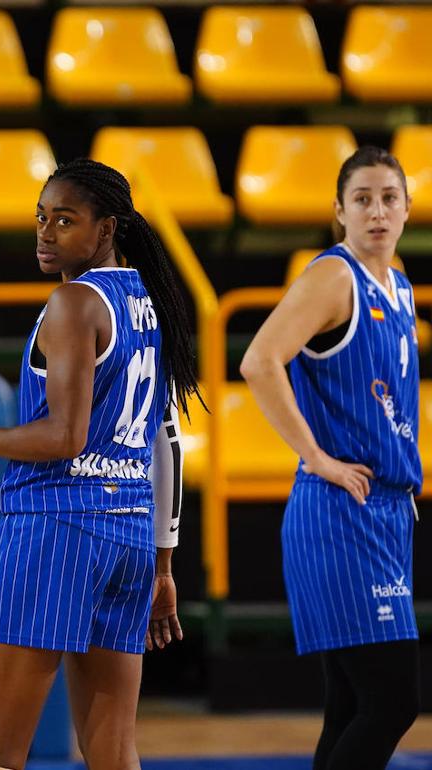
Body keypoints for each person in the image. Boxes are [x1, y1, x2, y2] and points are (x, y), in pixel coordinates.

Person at [0, 159, 194, 770]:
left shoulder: (75, 303)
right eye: (41, 218)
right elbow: (167, 439)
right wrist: (162, 562)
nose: (45, 233)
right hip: (130, 533)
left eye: (64, 220)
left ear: (106, 229)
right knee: (111, 749)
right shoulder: (145, 302)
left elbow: (65, 436)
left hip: (58, 527)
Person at [240, 146, 420, 770]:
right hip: (341, 511)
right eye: (362, 199)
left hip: (385, 511)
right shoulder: (333, 277)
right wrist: (315, 456)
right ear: (338, 211)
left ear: (407, 208)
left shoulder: (398, 287)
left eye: (388, 198)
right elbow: (259, 361)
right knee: (393, 701)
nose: (377, 211)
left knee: (349, 705)